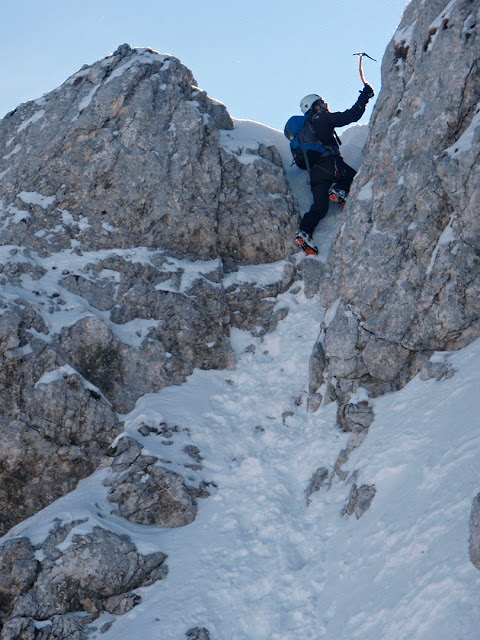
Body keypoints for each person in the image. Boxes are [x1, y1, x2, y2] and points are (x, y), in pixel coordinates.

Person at [294, 84, 374, 255]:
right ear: (316, 106)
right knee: (355, 178)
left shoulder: (308, 128)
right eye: (322, 102)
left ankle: (304, 232)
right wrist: (364, 97)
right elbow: (350, 116)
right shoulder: (322, 118)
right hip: (331, 165)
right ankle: (338, 191)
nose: (325, 104)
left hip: (315, 174)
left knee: (319, 208)